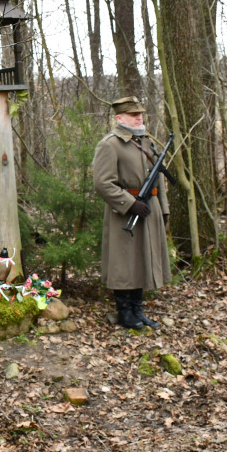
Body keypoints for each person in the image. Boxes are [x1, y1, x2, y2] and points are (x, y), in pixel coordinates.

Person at [91, 95, 171, 329]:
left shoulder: (146, 141)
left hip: (150, 208)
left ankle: (138, 311)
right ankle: (125, 313)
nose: (139, 117)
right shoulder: (110, 144)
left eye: (140, 114)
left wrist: (163, 209)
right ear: (119, 117)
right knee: (125, 263)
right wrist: (128, 203)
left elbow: (159, 176)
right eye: (133, 114)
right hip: (125, 213)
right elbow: (103, 183)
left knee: (142, 261)